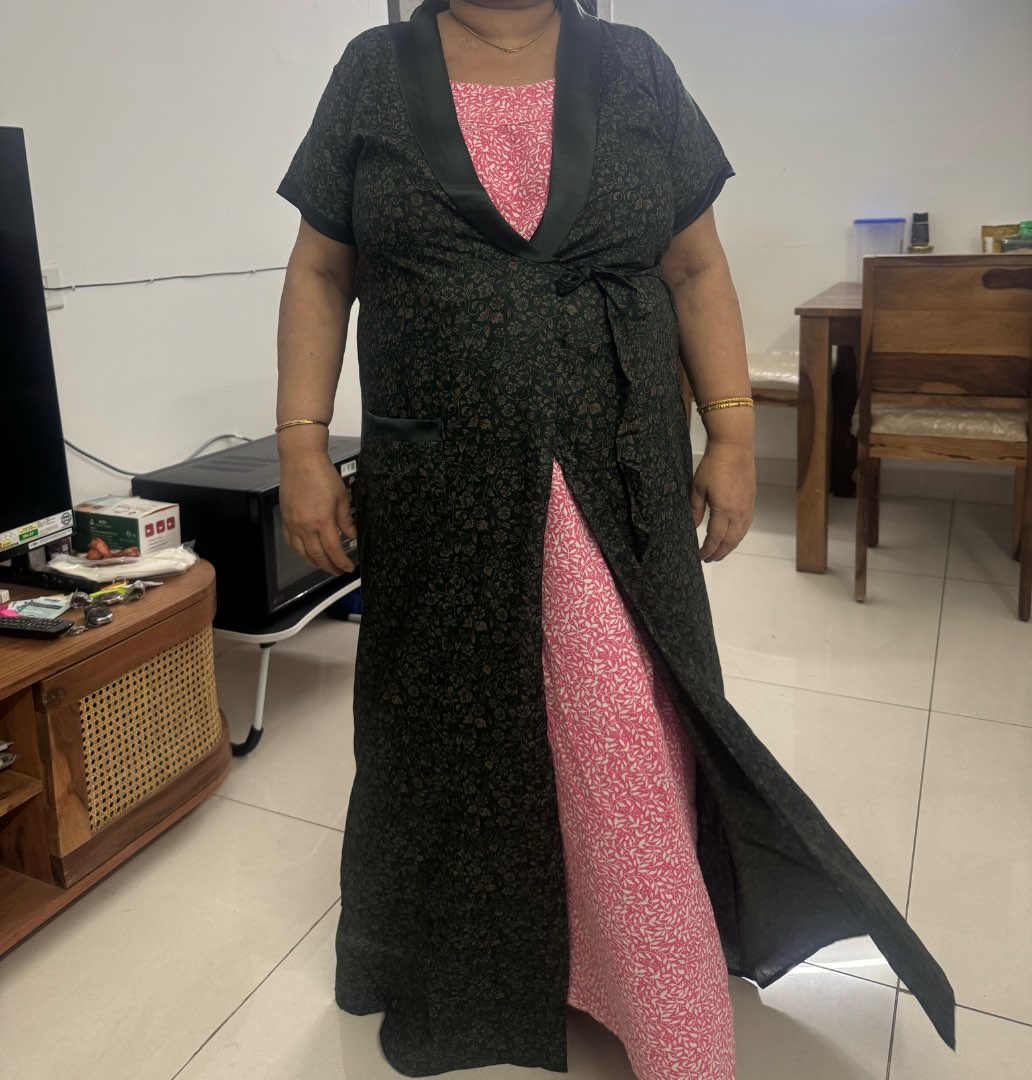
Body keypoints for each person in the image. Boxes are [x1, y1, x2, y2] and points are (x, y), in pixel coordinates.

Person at [275, 2, 955, 1077]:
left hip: (613, 472)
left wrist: (734, 434)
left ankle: (654, 992)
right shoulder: (373, 71)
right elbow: (322, 271)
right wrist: (302, 445)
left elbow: (695, 269)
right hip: (441, 485)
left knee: (621, 729)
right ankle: (470, 970)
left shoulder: (636, 66)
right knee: (445, 729)